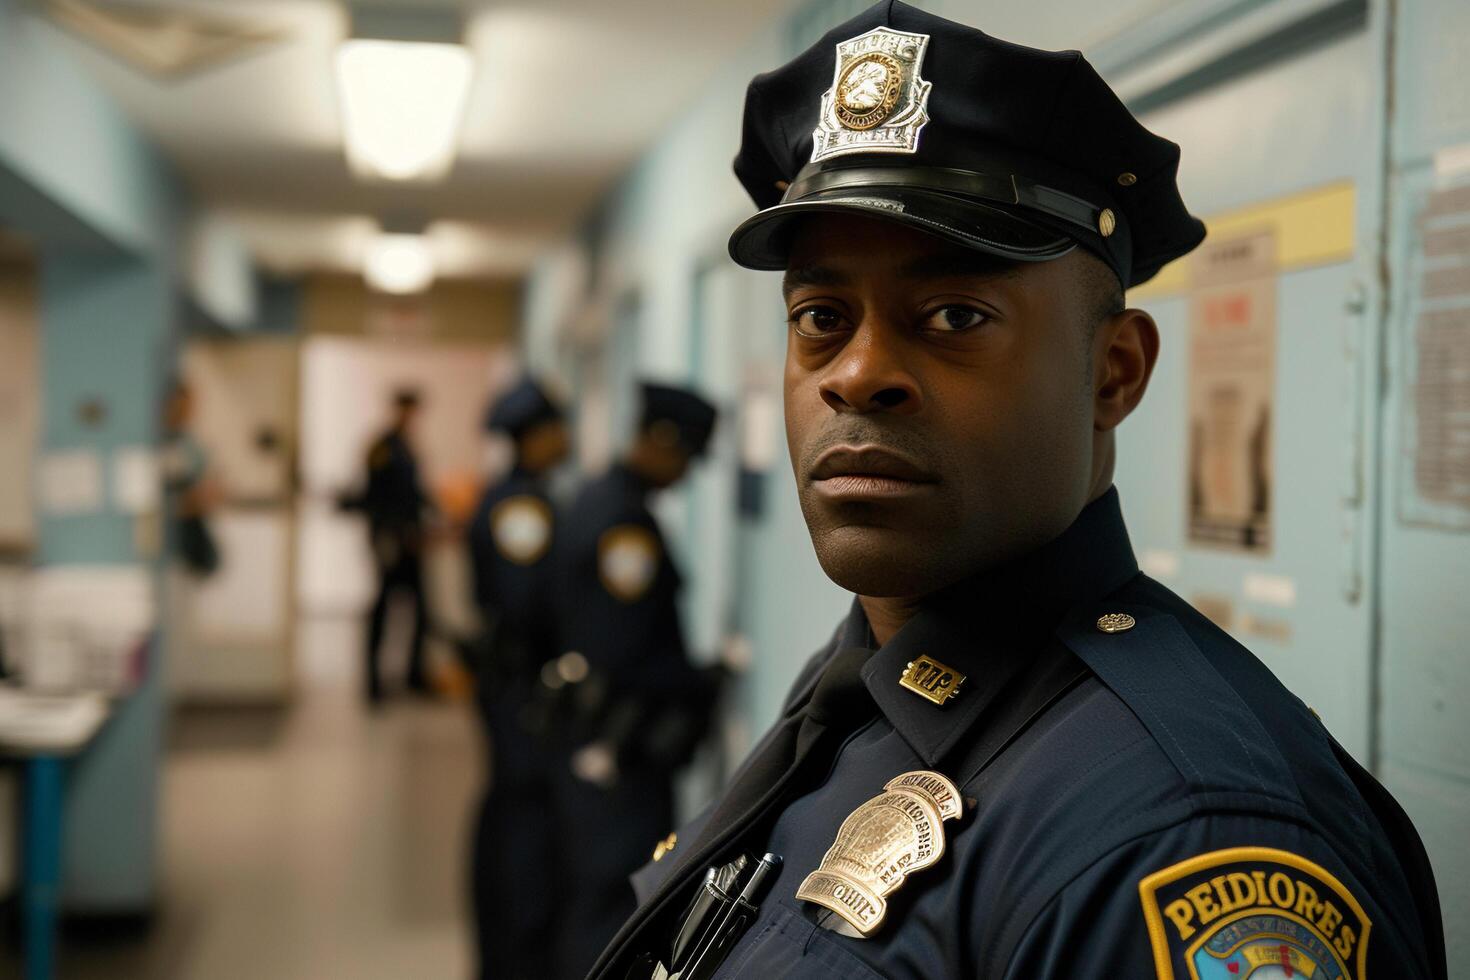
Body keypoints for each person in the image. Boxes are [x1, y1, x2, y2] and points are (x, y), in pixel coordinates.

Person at [589, 4, 1447, 980]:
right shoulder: (864, 687)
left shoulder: (1174, 835)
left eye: (956, 313)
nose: (858, 372)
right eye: (821, 315)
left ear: (1114, 372)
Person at [548, 382, 726, 979]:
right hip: (620, 748)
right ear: (659, 442)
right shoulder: (623, 523)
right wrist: (702, 681)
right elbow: (623, 655)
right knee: (612, 904)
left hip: (596, 741)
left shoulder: (600, 498)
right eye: (685, 458)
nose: (684, 475)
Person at [464, 376, 570, 980]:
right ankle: (515, 955)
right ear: (534, 438)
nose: (568, 440)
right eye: (558, 429)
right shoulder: (521, 508)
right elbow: (527, 602)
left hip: (516, 685)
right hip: (520, 688)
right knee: (522, 820)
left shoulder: (520, 497)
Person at [355, 388, 433, 705]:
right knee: (383, 609)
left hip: (411, 538)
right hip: (390, 538)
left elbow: (414, 491)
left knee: (421, 611)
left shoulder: (407, 447)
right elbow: (374, 494)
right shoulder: (383, 447)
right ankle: (373, 682)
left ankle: (414, 675)